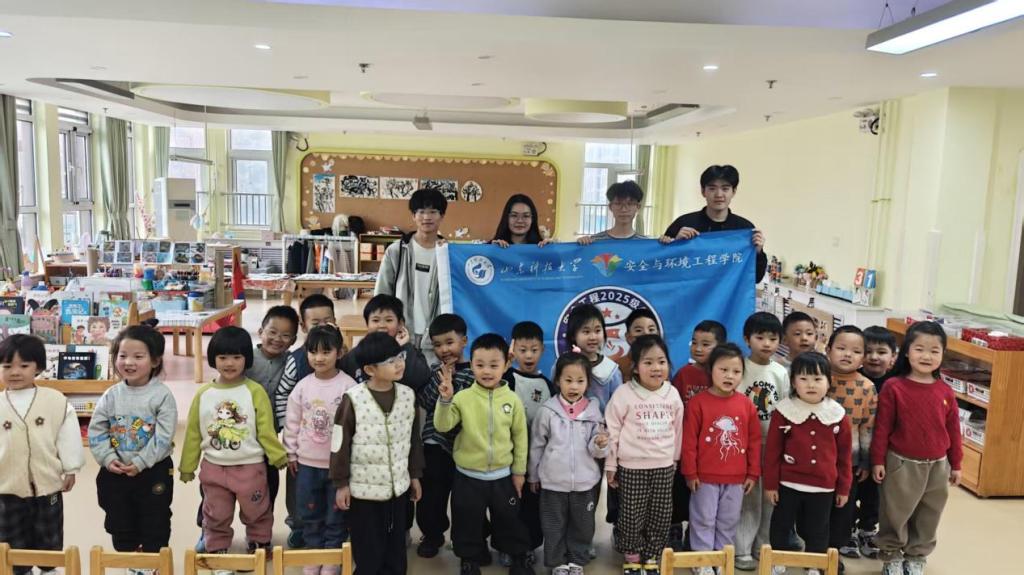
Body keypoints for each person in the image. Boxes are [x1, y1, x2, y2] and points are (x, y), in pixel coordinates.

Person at [179, 326, 287, 555]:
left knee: (257, 509)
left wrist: (277, 455)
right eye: (223, 357)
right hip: (214, 468)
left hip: (251, 468)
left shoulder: (255, 391)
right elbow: (193, 434)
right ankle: (216, 545)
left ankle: (259, 541)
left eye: (237, 357)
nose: (229, 363)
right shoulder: (203, 394)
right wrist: (187, 466)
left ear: (246, 358)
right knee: (215, 512)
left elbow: (265, 429)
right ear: (213, 359)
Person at [434, 333, 534, 575]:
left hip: (502, 476)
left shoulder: (512, 400)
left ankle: (517, 556)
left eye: (493, 365)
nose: (486, 371)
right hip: (468, 476)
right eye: (480, 365)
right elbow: (443, 426)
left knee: (509, 519)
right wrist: (445, 400)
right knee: (466, 520)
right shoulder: (463, 397)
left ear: (506, 365)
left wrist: (519, 472)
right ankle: (469, 558)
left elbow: (520, 438)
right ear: (472, 365)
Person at [871, 321, 961, 575]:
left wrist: (956, 464)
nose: (926, 356)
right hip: (902, 463)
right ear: (907, 352)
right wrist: (878, 460)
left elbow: (954, 431)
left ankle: (917, 555)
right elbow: (882, 428)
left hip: (938, 465)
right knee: (895, 512)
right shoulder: (894, 387)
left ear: (942, 355)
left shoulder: (945, 392)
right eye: (919, 349)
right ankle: (891, 555)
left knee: (929, 513)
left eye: (934, 351)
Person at [331, 332, 424, 575]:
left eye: (400, 357)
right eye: (391, 361)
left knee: (396, 547)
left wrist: (414, 475)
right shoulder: (354, 399)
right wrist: (341, 484)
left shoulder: (408, 395)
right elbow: (339, 444)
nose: (399, 364)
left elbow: (413, 440)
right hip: (364, 491)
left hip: (398, 487)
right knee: (368, 547)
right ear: (370, 369)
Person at [88, 326, 177, 555]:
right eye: (123, 355)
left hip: (153, 469)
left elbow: (164, 436)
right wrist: (108, 458)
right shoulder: (111, 395)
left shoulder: (162, 396)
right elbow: (97, 429)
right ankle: (130, 554)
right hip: (116, 470)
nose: (129, 362)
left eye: (138, 356)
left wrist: (140, 462)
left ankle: (153, 560)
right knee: (118, 518)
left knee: (155, 517)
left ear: (155, 360)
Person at [0, 335, 84, 575]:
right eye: (7, 366)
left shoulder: (55, 401)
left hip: (47, 483)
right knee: (10, 537)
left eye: (24, 365)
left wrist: (71, 468)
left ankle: (48, 570)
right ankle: (20, 570)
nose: (15, 372)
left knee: (49, 534)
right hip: (6, 485)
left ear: (38, 367)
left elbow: (67, 436)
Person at [763, 353, 852, 575]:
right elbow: (772, 452)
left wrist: (843, 488)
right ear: (793, 382)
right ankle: (777, 560)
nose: (811, 385)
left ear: (829, 381)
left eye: (817, 379)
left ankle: (815, 565)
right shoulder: (784, 411)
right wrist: (771, 485)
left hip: (823, 487)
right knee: (781, 524)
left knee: (818, 529)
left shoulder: (837, 414)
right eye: (803, 379)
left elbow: (844, 457)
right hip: (788, 483)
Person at [605, 335, 684, 575]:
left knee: (660, 515)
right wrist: (611, 465)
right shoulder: (623, 394)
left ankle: (651, 556)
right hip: (632, 467)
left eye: (661, 361)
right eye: (648, 362)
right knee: (632, 515)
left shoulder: (672, 394)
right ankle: (632, 556)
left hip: (664, 466)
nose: (656, 367)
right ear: (635, 367)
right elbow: (612, 430)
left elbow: (678, 430)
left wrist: (675, 460)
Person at [682, 343, 761, 574]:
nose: (729, 376)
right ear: (711, 370)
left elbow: (754, 441)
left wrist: (752, 473)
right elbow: (689, 442)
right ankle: (702, 561)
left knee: (728, 520)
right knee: (703, 519)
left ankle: (721, 559)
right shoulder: (697, 403)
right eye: (723, 369)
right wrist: (690, 472)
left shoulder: (746, 404)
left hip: (736, 479)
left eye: (736, 371)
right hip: (704, 478)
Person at [284, 325, 357, 573]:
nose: (319, 358)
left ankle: (332, 557)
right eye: (313, 352)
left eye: (326, 352)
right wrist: (291, 452)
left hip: (338, 467)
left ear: (340, 352)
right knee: (310, 512)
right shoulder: (302, 387)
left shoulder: (348, 386)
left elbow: (355, 427)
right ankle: (314, 553)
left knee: (337, 515)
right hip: (306, 464)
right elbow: (292, 422)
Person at [529, 352, 608, 575]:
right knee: (553, 525)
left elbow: (596, 448)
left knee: (583, 525)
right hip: (553, 483)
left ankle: (577, 560)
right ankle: (557, 562)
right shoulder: (547, 411)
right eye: (568, 380)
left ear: (588, 383)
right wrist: (533, 475)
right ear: (558, 381)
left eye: (580, 380)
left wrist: (600, 443)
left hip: (584, 483)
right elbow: (537, 445)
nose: (574, 386)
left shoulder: (593, 411)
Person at [274, 294, 337, 548]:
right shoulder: (296, 359)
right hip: (303, 444)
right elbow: (283, 394)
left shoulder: (342, 355)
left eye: (328, 321)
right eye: (315, 322)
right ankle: (299, 525)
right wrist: (289, 431)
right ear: (303, 326)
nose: (322, 326)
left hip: (333, 445)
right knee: (300, 488)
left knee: (333, 488)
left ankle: (334, 529)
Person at [415, 314, 475, 559]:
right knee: (431, 497)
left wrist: (454, 388)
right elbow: (426, 401)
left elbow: (472, 407)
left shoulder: (476, 372)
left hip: (466, 446)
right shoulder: (434, 372)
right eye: (437, 345)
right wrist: (442, 381)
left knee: (466, 501)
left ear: (464, 341)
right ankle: (432, 535)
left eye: (449, 342)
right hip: (435, 444)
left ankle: (468, 542)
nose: (444, 350)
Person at [735, 313, 790, 571]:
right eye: (760, 337)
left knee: (770, 497)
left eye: (772, 338)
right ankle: (742, 549)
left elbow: (786, 406)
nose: (766, 343)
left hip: (773, 444)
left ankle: (763, 544)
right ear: (747, 339)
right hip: (744, 444)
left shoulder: (780, 371)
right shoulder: (740, 368)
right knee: (748, 497)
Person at [668, 319, 726, 550]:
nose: (698, 348)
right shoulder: (684, 374)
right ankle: (674, 529)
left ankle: (694, 535)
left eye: (705, 344)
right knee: (679, 492)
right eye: (694, 342)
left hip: (711, 452)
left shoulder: (722, 377)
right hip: (685, 447)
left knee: (703, 498)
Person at [375, 187, 448, 365]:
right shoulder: (396, 251)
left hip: (436, 338)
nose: (427, 217)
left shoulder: (449, 253)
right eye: (421, 211)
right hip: (402, 334)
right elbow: (382, 295)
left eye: (433, 212)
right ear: (413, 216)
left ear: (442, 216)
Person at [504, 321, 557, 563]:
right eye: (523, 350)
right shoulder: (507, 378)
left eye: (534, 350)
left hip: (536, 461)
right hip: (509, 457)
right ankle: (506, 547)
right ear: (513, 350)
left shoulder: (547, 385)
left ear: (542, 350)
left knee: (532, 506)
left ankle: (529, 547)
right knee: (508, 505)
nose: (528, 355)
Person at [825, 326, 876, 573]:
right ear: (828, 350)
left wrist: (866, 461)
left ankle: (833, 553)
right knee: (815, 508)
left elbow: (868, 427)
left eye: (856, 351)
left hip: (849, 461)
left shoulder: (867, 387)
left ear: (863, 358)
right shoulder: (817, 378)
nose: (848, 354)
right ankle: (814, 551)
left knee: (843, 509)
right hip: (815, 459)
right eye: (841, 348)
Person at [659, 165, 768, 282]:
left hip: (727, 294)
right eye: (712, 188)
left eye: (725, 189)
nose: (719, 194)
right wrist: (674, 245)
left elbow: (756, 278)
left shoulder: (744, 228)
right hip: (691, 293)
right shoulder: (684, 223)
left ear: (734, 192)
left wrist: (758, 252)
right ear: (703, 191)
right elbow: (662, 272)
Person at [854, 326, 898, 559]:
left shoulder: (895, 383)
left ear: (893, 356)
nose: (873, 357)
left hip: (881, 451)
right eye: (868, 351)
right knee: (850, 490)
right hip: (854, 448)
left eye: (881, 352)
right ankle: (847, 529)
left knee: (874, 495)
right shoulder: (854, 378)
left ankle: (868, 530)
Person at [339, 294, 432, 392]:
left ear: (400, 324)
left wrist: (404, 347)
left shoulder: (408, 351)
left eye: (389, 320)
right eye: (375, 320)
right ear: (367, 323)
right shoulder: (354, 355)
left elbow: (420, 379)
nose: (382, 325)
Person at [565, 304, 622, 414]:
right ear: (573, 335)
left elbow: (618, 408)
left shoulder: (612, 371)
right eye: (586, 332)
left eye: (597, 331)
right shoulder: (562, 365)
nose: (593, 337)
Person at [578, 181, 648, 245]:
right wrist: (581, 245)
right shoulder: (595, 241)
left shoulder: (645, 244)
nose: (623, 209)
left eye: (629, 204)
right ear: (610, 207)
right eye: (618, 204)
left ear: (638, 207)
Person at [615, 309, 660, 382]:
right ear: (628, 337)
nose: (646, 333)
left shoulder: (662, 364)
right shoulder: (617, 367)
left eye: (651, 329)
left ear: (658, 334)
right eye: (639, 330)